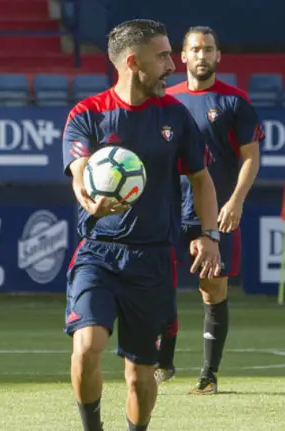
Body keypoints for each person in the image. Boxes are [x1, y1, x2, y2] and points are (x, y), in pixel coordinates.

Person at [62, 19, 222, 431]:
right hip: (98, 253)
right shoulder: (88, 114)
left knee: (139, 374)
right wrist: (89, 200)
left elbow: (201, 179)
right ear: (134, 62)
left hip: (152, 260)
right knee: (87, 346)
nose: (172, 65)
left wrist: (209, 235)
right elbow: (79, 172)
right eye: (163, 56)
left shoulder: (175, 116)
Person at [155, 26, 262, 395]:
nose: (203, 56)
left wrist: (236, 200)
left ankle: (208, 375)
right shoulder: (165, 100)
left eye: (209, 49)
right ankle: (163, 362)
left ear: (218, 56)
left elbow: (251, 157)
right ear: (183, 56)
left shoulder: (235, 101)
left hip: (216, 215)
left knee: (212, 291)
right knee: (157, 287)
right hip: (169, 213)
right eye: (196, 49)